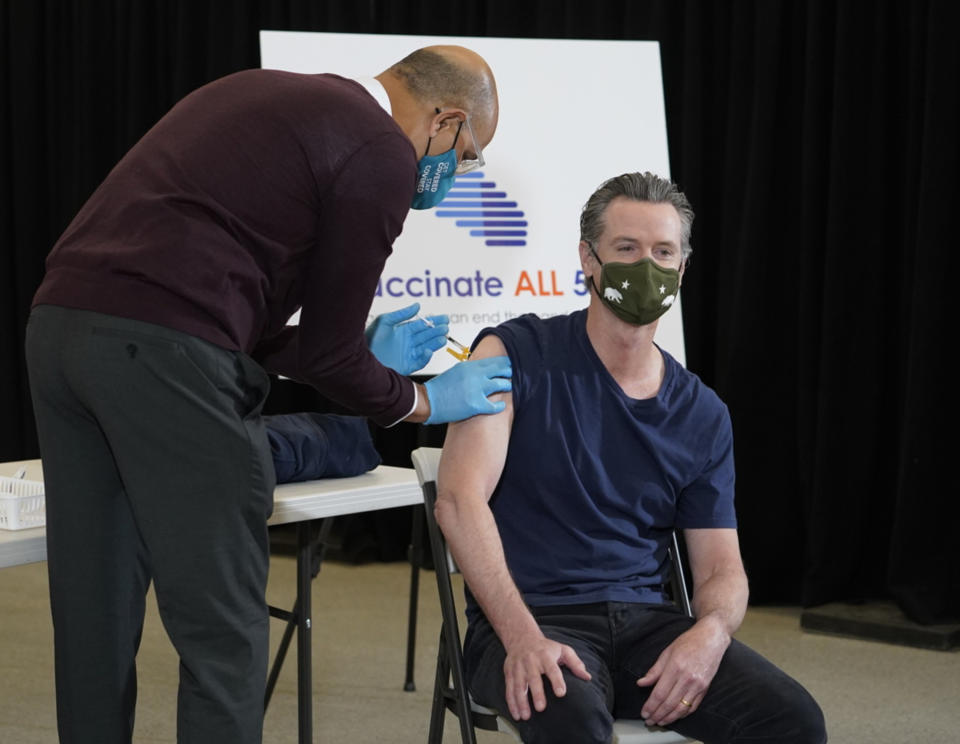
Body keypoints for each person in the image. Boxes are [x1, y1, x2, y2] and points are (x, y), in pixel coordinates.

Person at [24, 46, 511, 744]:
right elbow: (317, 354)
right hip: (163, 360)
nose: (457, 174)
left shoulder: (285, 98)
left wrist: (359, 350)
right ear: (446, 119)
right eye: (467, 156)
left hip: (61, 335)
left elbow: (255, 332)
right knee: (225, 635)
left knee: (94, 614)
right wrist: (423, 401)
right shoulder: (381, 152)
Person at [434, 172, 827, 744]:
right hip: (529, 619)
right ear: (587, 260)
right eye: (627, 248)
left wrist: (711, 633)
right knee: (574, 726)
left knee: (793, 721)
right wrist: (520, 637)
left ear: (682, 269)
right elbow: (458, 501)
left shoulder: (702, 412)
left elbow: (721, 568)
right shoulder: (513, 354)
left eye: (663, 252)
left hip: (648, 625)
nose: (647, 266)